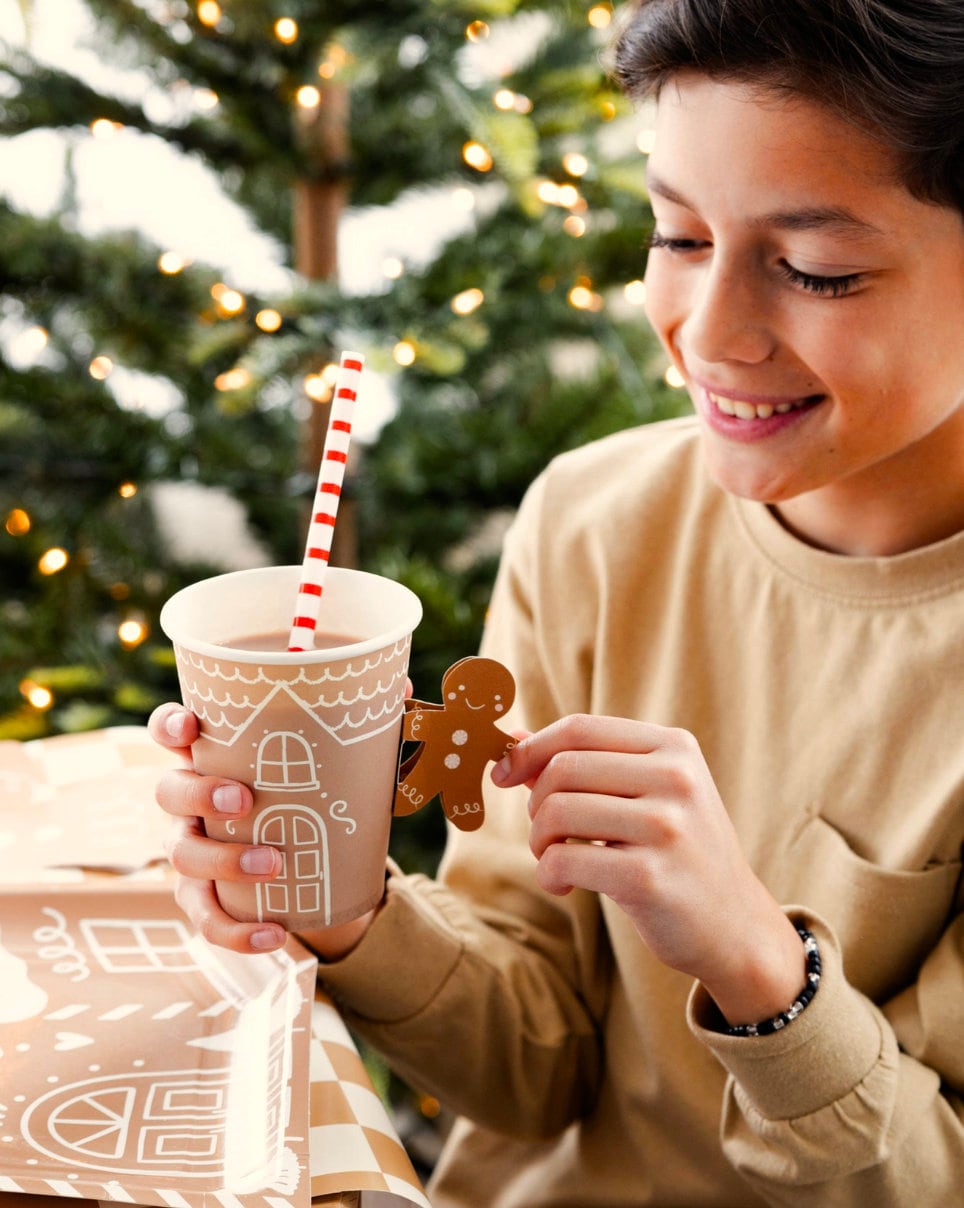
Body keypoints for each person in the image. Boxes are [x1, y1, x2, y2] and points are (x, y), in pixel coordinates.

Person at [149, 1, 964, 1203]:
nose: (711, 333)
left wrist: (758, 966)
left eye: (814, 270)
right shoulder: (593, 520)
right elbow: (538, 1062)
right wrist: (341, 903)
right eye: (678, 237)